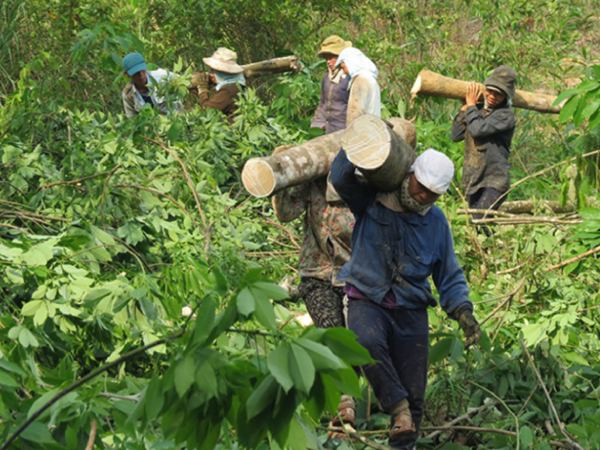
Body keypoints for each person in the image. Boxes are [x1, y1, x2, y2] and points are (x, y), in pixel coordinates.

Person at [330, 147, 481, 450]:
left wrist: (463, 312)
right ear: (410, 175)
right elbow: (341, 178)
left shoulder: (435, 223)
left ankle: (405, 434)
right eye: (420, 188)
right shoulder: (372, 200)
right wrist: (358, 144)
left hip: (410, 307)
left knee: (416, 395)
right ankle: (397, 408)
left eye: (432, 194)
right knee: (365, 342)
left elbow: (448, 274)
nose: (424, 196)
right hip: (367, 297)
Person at [451, 65, 517, 215]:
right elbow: (456, 136)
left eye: (498, 94)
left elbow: (477, 130)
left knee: (478, 219)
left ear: (506, 97)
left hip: (494, 181)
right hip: (474, 180)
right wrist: (464, 111)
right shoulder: (477, 112)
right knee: (480, 227)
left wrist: (471, 107)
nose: (492, 96)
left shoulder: (505, 116)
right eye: (490, 91)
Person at [311, 35, 352, 133]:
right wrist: (317, 123)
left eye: (332, 57)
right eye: (326, 58)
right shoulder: (326, 78)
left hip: (343, 128)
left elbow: (354, 107)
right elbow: (323, 102)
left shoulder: (349, 77)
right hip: (327, 128)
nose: (329, 62)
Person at [121, 52, 182, 118]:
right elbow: (132, 118)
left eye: (142, 70)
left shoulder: (160, 76)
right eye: (136, 73)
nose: (141, 75)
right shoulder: (128, 94)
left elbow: (183, 81)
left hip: (175, 118)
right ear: (127, 74)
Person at [192, 47, 246, 121]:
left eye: (213, 71)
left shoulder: (229, 90)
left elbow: (208, 111)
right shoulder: (233, 83)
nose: (211, 73)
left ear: (223, 72)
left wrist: (202, 88)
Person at [335, 47, 381, 124]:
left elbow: (354, 112)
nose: (344, 72)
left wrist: (349, 132)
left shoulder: (360, 81)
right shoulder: (371, 79)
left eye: (343, 67)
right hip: (374, 128)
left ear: (350, 63)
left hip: (362, 131)